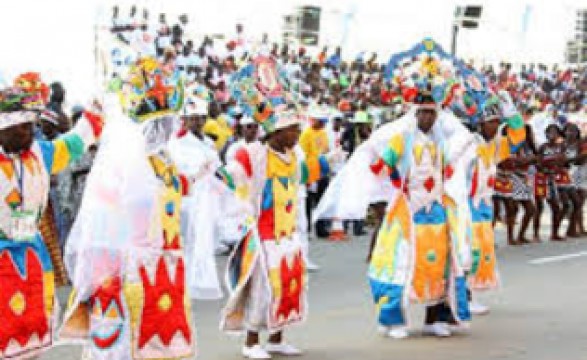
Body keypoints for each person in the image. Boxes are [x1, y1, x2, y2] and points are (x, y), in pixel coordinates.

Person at [60, 57, 196, 360]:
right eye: (157, 124)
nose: (163, 130)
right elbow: (103, 224)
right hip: (127, 272)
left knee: (163, 344)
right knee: (124, 345)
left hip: (165, 269)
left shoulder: (164, 162)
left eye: (167, 123)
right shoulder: (120, 166)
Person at [315, 88, 474, 339]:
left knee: (437, 263)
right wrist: (397, 182)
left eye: (432, 114)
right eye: (423, 113)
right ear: (415, 113)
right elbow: (382, 165)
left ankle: (434, 318)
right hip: (408, 210)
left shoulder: (439, 142)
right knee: (399, 264)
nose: (427, 119)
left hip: (436, 211)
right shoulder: (402, 139)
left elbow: (447, 170)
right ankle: (392, 320)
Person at [0, 73, 103, 359]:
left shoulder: (40, 154)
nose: (27, 133)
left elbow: (74, 143)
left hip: (33, 256)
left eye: (28, 126)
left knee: (34, 328)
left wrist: (94, 117)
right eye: (18, 127)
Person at [218, 56, 309, 359]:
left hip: (287, 232)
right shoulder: (255, 154)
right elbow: (231, 175)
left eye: (298, 129)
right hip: (265, 234)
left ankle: (277, 337)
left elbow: (298, 189)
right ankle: (251, 342)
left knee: (288, 284)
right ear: (276, 132)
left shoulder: (295, 158)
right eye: (293, 130)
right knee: (262, 288)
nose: (297, 135)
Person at [169, 92, 223, 300]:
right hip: (188, 198)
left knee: (204, 238)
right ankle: (184, 280)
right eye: (193, 118)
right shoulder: (177, 143)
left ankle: (201, 279)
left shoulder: (209, 143)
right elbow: (177, 171)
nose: (197, 122)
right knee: (187, 239)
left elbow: (217, 168)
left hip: (208, 197)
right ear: (185, 120)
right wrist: (196, 174)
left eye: (200, 118)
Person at [299, 109, 331, 238]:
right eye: (322, 121)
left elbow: (325, 149)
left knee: (322, 201)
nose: (324, 124)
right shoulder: (306, 134)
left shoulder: (323, 133)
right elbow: (302, 155)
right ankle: (306, 230)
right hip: (311, 173)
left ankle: (321, 229)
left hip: (322, 170)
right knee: (308, 203)